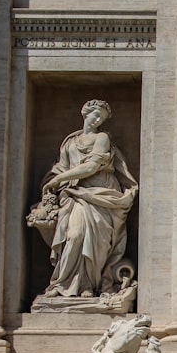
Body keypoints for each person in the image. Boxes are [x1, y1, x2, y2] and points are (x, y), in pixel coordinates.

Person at [35, 99, 138, 298]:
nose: (98, 119)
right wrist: (56, 181)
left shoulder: (102, 138)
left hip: (100, 193)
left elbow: (90, 168)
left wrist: (59, 179)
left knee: (95, 241)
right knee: (74, 235)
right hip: (74, 194)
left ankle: (88, 285)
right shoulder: (70, 142)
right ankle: (63, 284)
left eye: (102, 117)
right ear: (85, 113)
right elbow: (62, 167)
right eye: (95, 114)